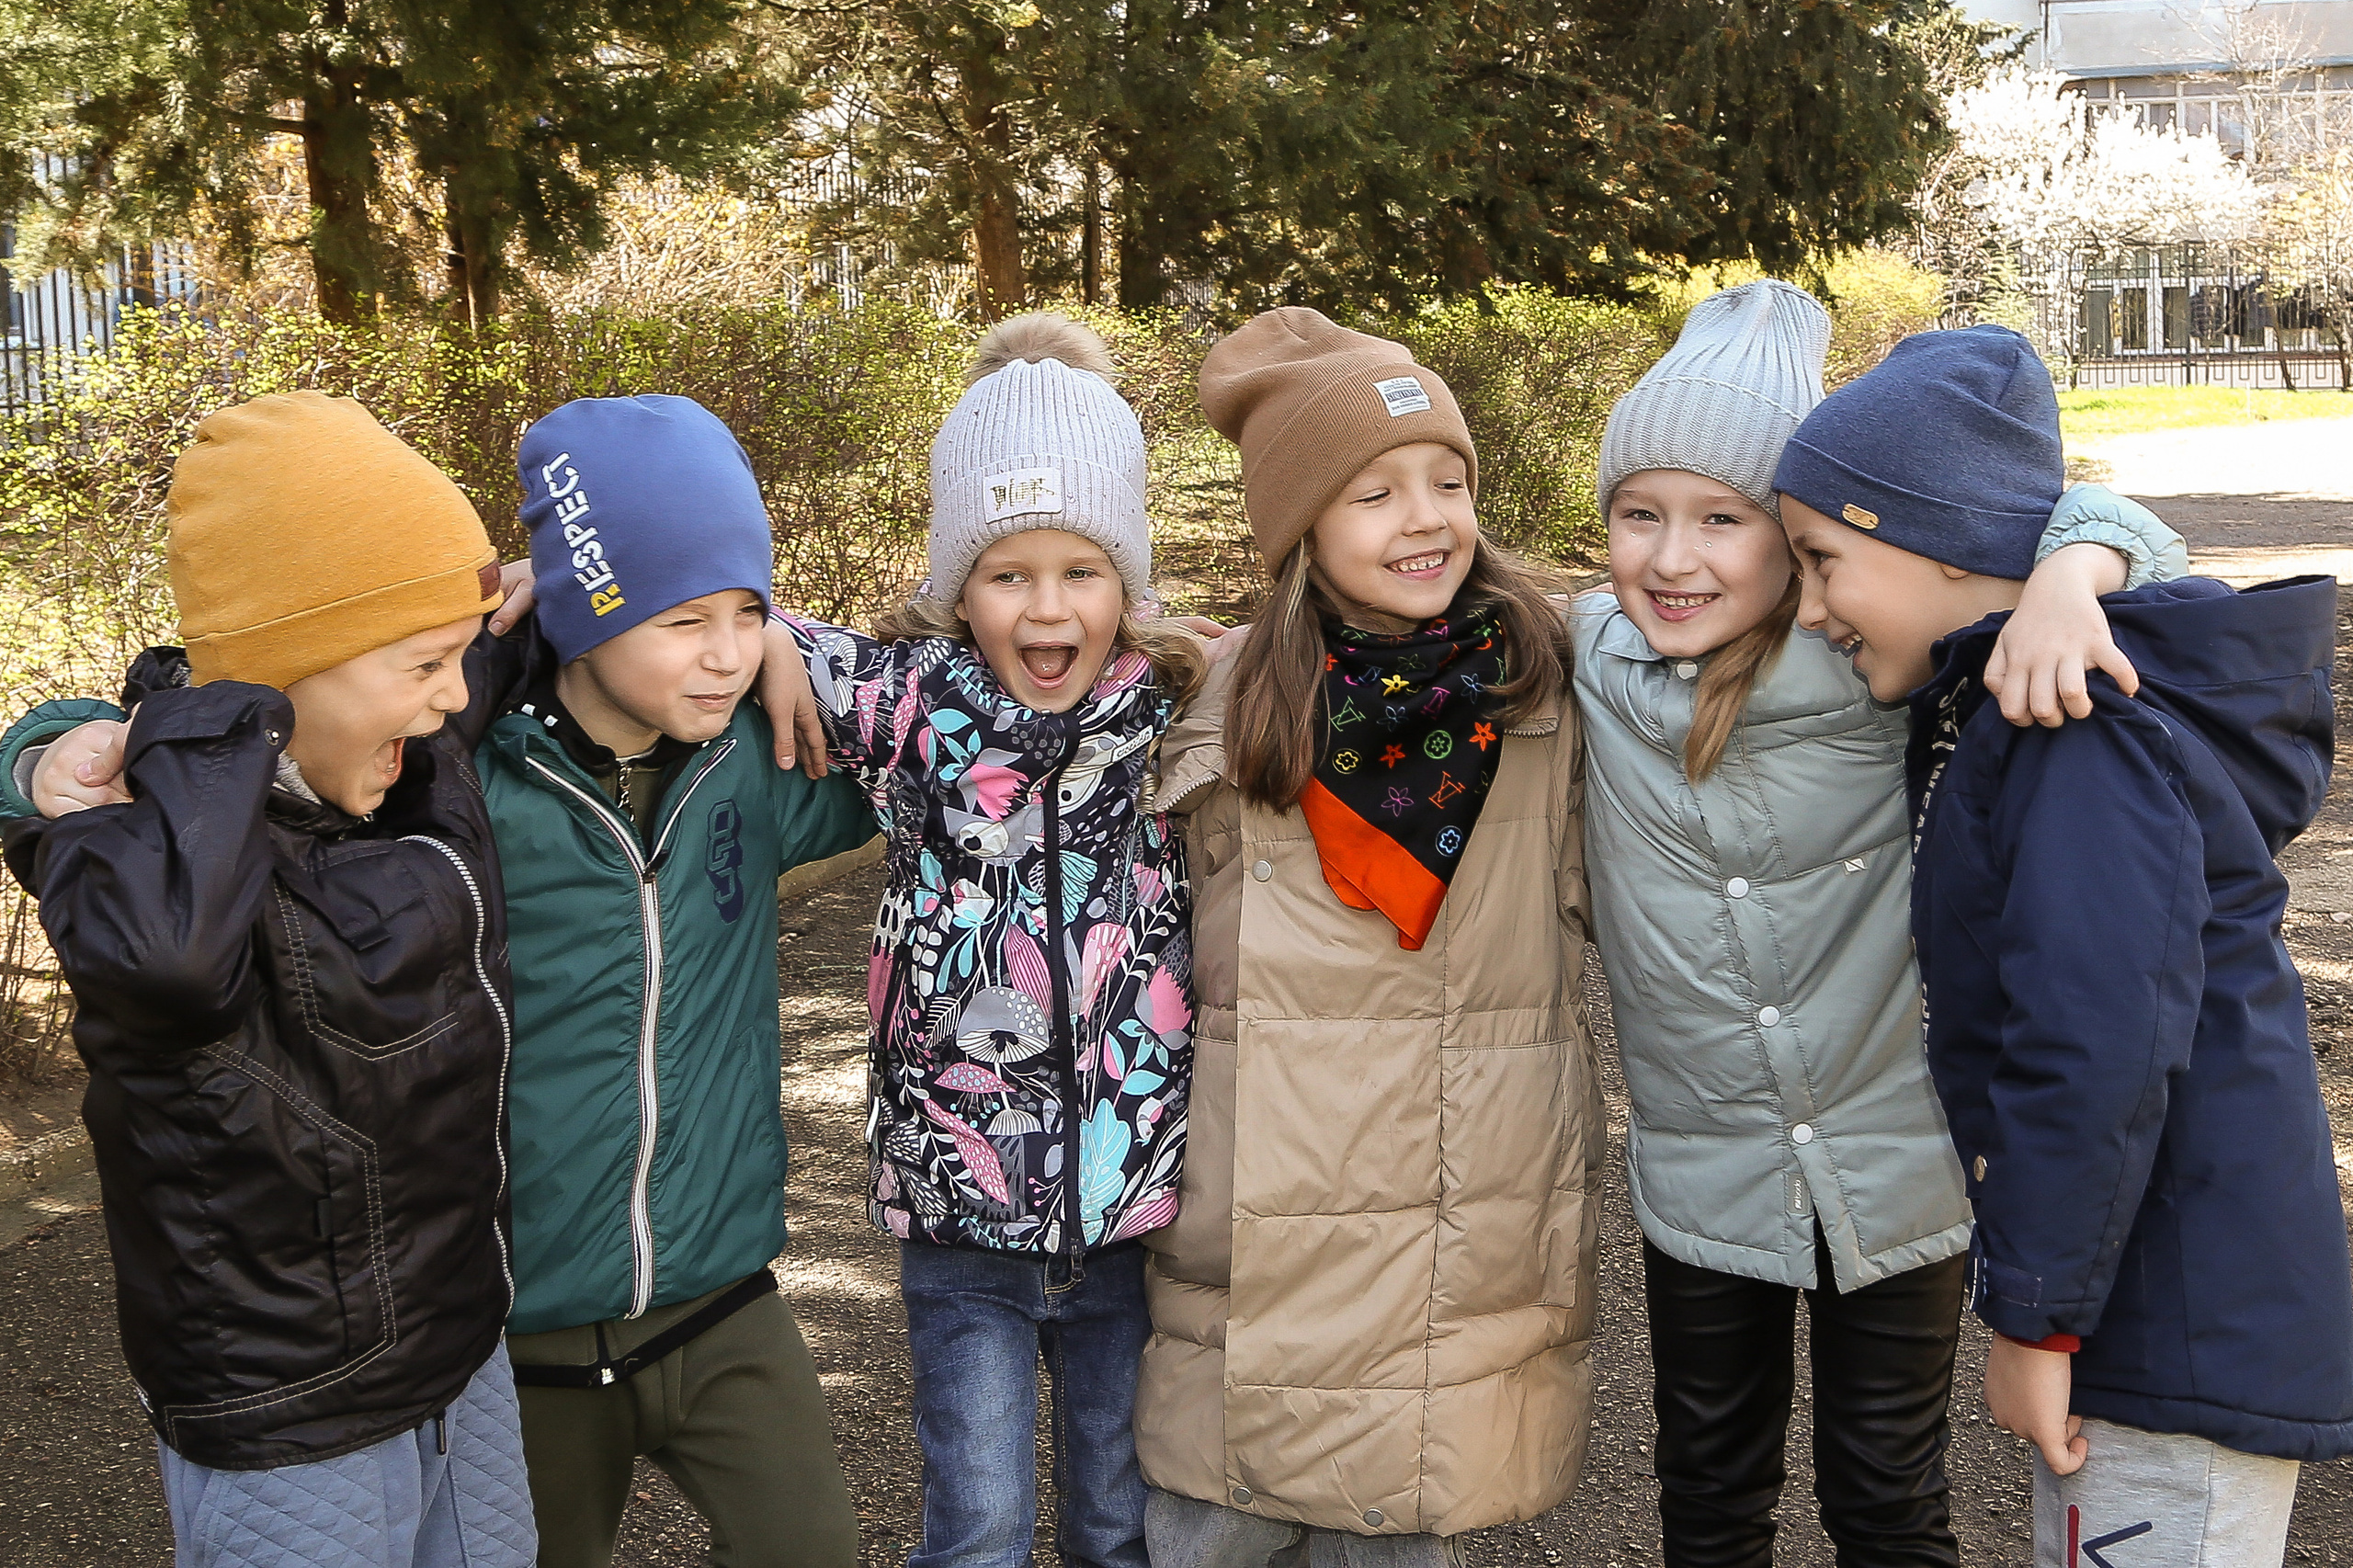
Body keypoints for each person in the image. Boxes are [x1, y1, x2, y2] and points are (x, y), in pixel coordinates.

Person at [32, 392, 880, 1568]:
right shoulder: (453, 780)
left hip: (704, 1293)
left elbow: (951, 735)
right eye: (688, 616)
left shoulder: (748, 761)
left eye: (748, 613)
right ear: (587, 613)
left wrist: (805, 641)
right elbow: (202, 730)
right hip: (507, 1330)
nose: (728, 648)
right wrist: (44, 752)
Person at [1574, 281, 2187, 1568]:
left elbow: (2091, 526)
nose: (1672, 558)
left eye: (1723, 519)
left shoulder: (1886, 668)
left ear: (1800, 538)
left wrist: (2078, 570)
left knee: (1887, 1493)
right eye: (1639, 514)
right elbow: (1415, 607)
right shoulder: (1593, 659)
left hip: (1898, 1155)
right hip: (1704, 1162)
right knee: (1709, 1488)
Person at [1773, 324, 2353, 1568]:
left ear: (1933, 535)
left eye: (1821, 561)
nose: (1809, 609)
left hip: (2171, 1321)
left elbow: (2090, 1045)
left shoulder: (2074, 730)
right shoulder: (2021, 706)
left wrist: (2034, 1321)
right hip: (2153, 1299)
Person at [0, 392, 535, 1568]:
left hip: (459, 1353)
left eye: (454, 656)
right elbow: (171, 965)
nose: (455, 695)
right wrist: (155, 738)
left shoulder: (405, 758)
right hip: (292, 1414)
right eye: (425, 663)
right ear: (283, 682)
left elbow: (487, 649)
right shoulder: (151, 840)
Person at [1137, 308, 1597, 1568]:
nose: (1427, 517)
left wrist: (2078, 557)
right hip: (1251, 1239)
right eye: (1376, 492)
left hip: (1445, 1237)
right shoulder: (1216, 702)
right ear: (1300, 529)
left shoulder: (1543, 685)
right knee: (1204, 1532)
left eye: (1449, 482)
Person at [769, 312, 1207, 1568]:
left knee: (1121, 1530)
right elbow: (723, 614)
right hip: (962, 1211)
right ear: (957, 587)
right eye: (1010, 573)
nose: (1048, 606)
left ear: (1127, 582)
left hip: (1132, 1208)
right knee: (978, 1532)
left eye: (1081, 571)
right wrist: (740, 622)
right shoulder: (914, 701)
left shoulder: (1172, 704)